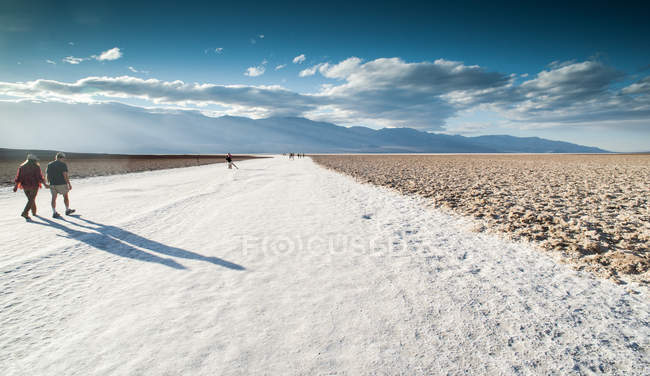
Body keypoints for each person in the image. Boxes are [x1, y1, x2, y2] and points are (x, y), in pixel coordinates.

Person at [13, 154, 49, 220]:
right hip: (34, 185)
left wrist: (16, 186)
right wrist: (45, 184)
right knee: (31, 199)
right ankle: (25, 213)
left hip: (25, 186)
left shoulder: (22, 166)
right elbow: (40, 177)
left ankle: (34, 212)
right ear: (34, 160)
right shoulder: (36, 167)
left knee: (30, 199)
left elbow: (18, 177)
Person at [46, 152, 75, 218]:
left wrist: (48, 183)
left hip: (52, 184)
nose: (64, 159)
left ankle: (54, 212)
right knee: (65, 196)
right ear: (61, 157)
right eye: (63, 158)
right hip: (61, 183)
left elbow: (47, 175)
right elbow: (65, 175)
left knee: (53, 198)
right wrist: (69, 184)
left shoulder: (49, 164)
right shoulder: (63, 164)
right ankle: (67, 210)